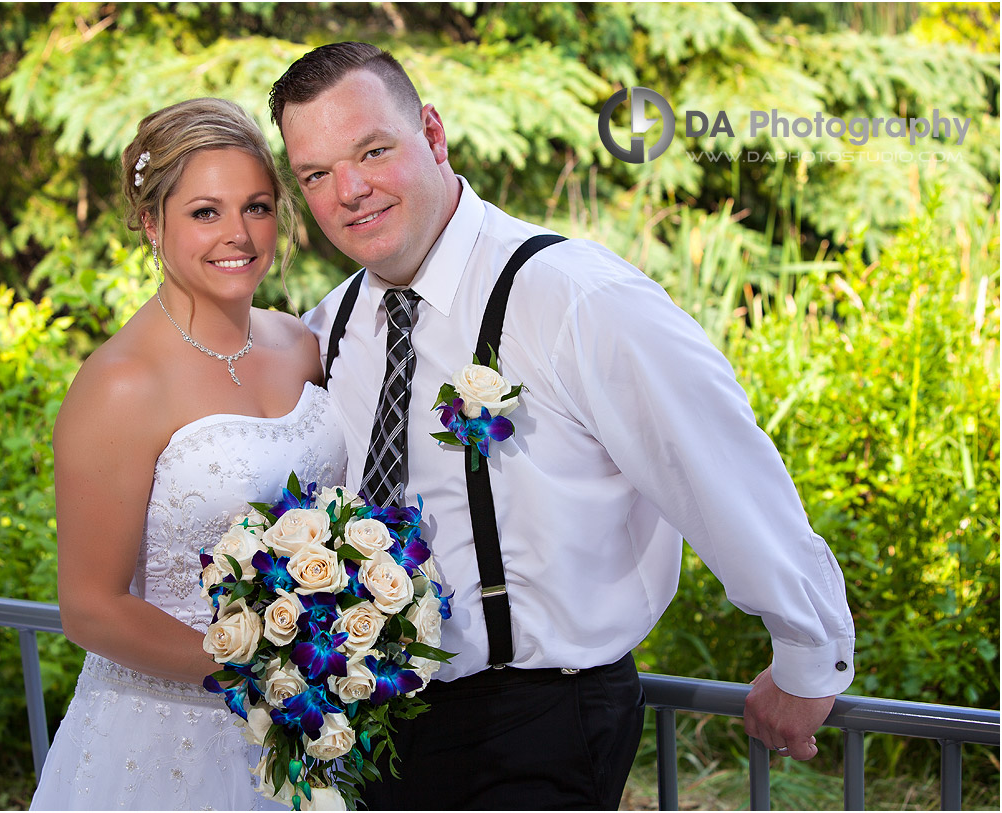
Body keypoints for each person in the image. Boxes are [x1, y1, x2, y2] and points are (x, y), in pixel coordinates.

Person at [270, 43, 856, 810]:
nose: (350, 190)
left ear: (435, 137)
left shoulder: (573, 297)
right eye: (316, 174)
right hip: (374, 731)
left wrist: (809, 653)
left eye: (373, 151)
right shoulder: (334, 324)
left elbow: (715, 467)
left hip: (537, 724)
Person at [29, 98, 346, 810]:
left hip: (309, 734)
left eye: (258, 207)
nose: (238, 234)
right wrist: (263, 671)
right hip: (164, 744)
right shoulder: (120, 384)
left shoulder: (299, 345)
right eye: (205, 211)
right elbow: (91, 608)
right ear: (151, 221)